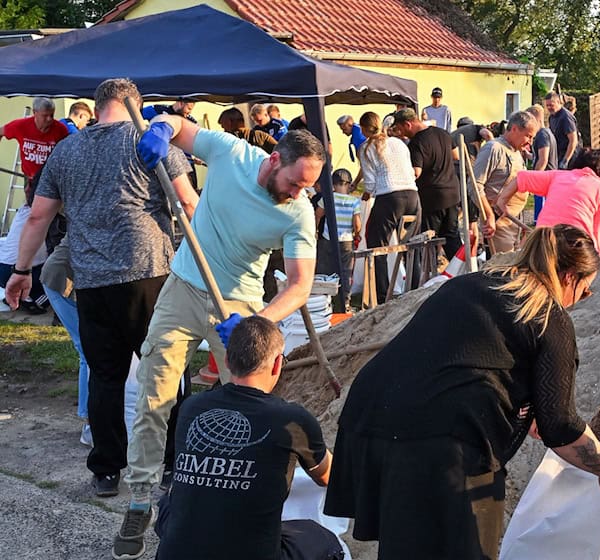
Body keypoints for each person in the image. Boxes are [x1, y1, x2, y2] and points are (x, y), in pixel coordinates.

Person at [326, 224, 600, 559]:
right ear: (571, 277)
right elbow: (560, 424)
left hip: (370, 419)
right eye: (585, 291)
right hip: (441, 439)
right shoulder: (548, 317)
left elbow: (462, 360)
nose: (579, 301)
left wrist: (521, 408)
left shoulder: (472, 283)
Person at [115, 116, 324, 560]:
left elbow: (300, 285)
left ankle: (238, 500)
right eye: (293, 182)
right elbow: (174, 124)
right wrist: (158, 132)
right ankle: (139, 498)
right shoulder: (230, 154)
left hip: (242, 308)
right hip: (183, 288)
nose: (297, 193)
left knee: (251, 409)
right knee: (156, 393)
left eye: (306, 186)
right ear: (274, 161)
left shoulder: (299, 212)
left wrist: (257, 323)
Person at [5, 79, 196, 501]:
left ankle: (107, 470)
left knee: (106, 377)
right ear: (134, 105)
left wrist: (20, 270)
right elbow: (188, 204)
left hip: (92, 281)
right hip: (149, 274)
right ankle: (169, 463)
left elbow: (38, 217)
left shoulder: (67, 149)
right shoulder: (151, 142)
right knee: (162, 372)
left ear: (97, 106)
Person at [155, 316, 343, 560]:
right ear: (277, 364)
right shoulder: (292, 419)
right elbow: (330, 478)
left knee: (169, 505)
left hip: (177, 553)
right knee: (322, 539)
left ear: (226, 360)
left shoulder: (191, 408)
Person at [495, 148, 600, 258]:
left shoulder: (558, 176)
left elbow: (521, 178)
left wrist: (502, 201)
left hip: (544, 240)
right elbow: (599, 231)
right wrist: (597, 257)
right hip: (576, 245)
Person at [356, 111, 420, 304]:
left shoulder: (367, 148)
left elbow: (370, 183)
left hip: (389, 197)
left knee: (378, 245)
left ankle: (383, 296)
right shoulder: (399, 143)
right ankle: (414, 291)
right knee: (412, 246)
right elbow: (409, 170)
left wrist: (367, 193)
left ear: (365, 129)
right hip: (412, 195)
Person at [392, 108, 463, 260]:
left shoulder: (417, 143)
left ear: (408, 124)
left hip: (432, 198)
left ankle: (426, 273)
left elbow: (416, 172)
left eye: (401, 129)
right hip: (452, 192)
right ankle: (460, 269)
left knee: (426, 238)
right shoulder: (443, 133)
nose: (402, 133)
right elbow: (456, 156)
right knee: (451, 236)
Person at [472, 111, 538, 254]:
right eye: (528, 136)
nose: (530, 142)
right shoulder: (493, 148)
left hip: (513, 222)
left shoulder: (517, 152)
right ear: (514, 129)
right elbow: (475, 185)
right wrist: (489, 216)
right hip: (497, 223)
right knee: (499, 270)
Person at [314, 169, 361, 308]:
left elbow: (318, 214)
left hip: (328, 239)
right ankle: (344, 301)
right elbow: (357, 223)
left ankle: (322, 301)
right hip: (346, 240)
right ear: (349, 185)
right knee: (345, 272)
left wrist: (316, 230)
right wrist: (357, 234)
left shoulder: (328, 197)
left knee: (324, 270)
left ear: (333, 185)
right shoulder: (354, 201)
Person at [0, 181, 49, 314]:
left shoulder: (23, 210)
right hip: (21, 271)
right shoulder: (45, 214)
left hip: (4, 270)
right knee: (56, 286)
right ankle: (29, 298)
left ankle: (18, 294)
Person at [0, 97, 69, 182]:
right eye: (45, 115)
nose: (49, 119)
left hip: (51, 179)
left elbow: (68, 152)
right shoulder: (21, 126)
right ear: (34, 113)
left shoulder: (61, 130)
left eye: (51, 115)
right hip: (30, 178)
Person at [524, 104, 558, 220]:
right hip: (546, 176)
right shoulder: (546, 133)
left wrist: (534, 177)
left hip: (545, 177)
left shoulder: (542, 135)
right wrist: (528, 155)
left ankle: (541, 221)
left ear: (536, 119)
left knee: (542, 204)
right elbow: (538, 156)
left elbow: (543, 160)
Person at [544, 91, 578, 169]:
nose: (549, 108)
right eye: (547, 105)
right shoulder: (552, 117)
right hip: (559, 154)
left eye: (551, 105)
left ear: (558, 102)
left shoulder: (566, 117)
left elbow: (573, 140)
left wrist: (566, 160)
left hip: (571, 157)